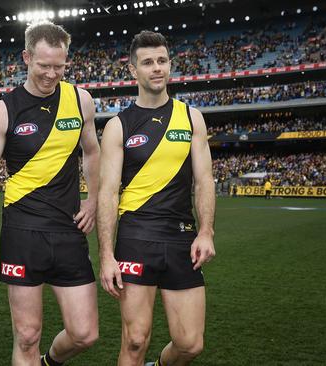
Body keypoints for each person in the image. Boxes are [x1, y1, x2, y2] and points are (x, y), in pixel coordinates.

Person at [0, 21, 100, 366]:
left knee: (84, 333)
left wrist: (91, 197)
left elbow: (91, 151)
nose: (51, 74)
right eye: (43, 65)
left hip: (68, 230)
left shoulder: (81, 101)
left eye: (59, 66)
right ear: (26, 58)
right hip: (22, 232)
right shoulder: (4, 111)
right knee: (27, 335)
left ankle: (49, 362)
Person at [97, 31, 216, 366]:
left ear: (170, 65)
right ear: (133, 70)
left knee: (190, 344)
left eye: (162, 60)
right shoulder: (119, 127)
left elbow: (204, 181)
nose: (156, 68)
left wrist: (206, 231)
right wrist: (106, 254)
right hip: (135, 237)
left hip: (182, 238)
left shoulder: (192, 118)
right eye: (147, 62)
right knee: (135, 341)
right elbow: (107, 193)